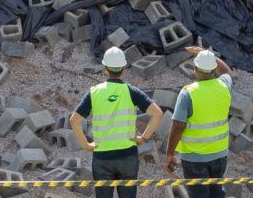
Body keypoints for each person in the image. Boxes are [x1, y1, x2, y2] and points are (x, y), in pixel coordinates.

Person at [69, 46, 164, 198]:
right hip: (127, 157)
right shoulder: (131, 91)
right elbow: (158, 114)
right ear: (124, 68)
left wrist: (86, 145)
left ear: (105, 68)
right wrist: (143, 138)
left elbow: (74, 120)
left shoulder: (94, 93)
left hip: (102, 158)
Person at [164, 47, 233, 198]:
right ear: (214, 69)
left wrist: (170, 153)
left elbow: (177, 126)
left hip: (194, 158)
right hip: (219, 154)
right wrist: (208, 55)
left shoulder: (188, 93)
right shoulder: (224, 87)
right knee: (217, 192)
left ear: (195, 68)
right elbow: (227, 72)